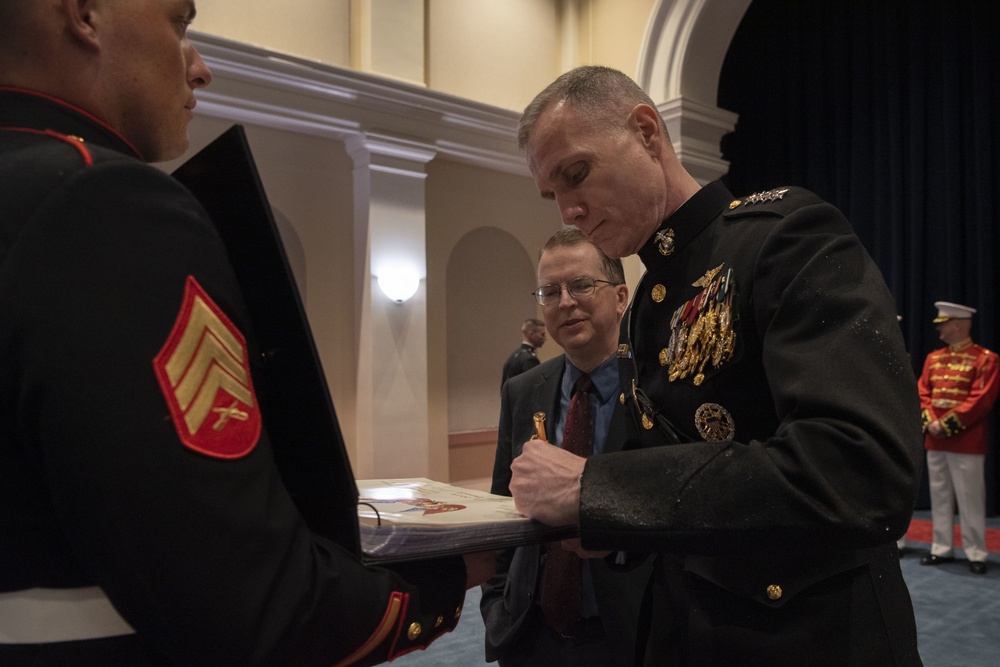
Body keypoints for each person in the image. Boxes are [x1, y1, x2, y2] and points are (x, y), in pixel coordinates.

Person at [0, 2, 491, 664]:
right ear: (85, 14)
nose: (198, 68)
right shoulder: (106, 205)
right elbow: (253, 602)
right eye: (179, 24)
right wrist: (445, 580)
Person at [507, 65, 924, 665]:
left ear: (647, 132)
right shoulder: (650, 305)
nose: (568, 209)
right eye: (553, 194)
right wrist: (608, 521)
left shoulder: (783, 237)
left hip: (806, 637)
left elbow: (862, 469)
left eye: (577, 173)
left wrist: (596, 489)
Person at [480, 229, 650, 666]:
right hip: (531, 636)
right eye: (550, 291)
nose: (566, 302)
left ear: (620, 296)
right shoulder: (522, 391)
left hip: (629, 637)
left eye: (581, 285)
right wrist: (498, 605)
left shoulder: (658, 388)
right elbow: (504, 504)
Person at [917, 302, 998, 575]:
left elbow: (982, 399)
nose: (939, 329)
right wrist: (929, 421)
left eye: (943, 324)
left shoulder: (985, 359)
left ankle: (975, 551)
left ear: (958, 325)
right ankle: (941, 547)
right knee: (939, 494)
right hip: (936, 438)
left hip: (966, 439)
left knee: (970, 496)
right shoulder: (934, 358)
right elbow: (923, 392)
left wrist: (948, 423)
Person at [501, 319, 546, 388]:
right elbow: (533, 388)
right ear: (531, 334)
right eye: (542, 334)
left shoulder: (513, 356)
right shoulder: (530, 359)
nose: (545, 338)